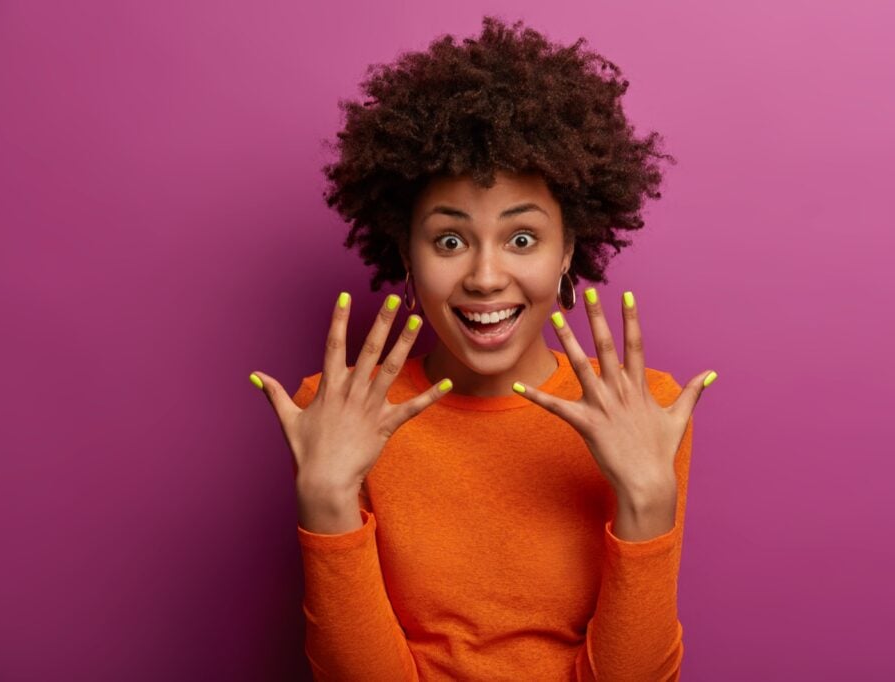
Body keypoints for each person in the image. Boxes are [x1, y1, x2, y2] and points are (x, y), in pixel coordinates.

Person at [249, 16, 717, 681]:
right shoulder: (341, 414)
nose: (486, 277)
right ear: (405, 254)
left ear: (568, 252)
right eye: (449, 240)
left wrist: (647, 504)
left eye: (522, 239)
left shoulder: (646, 412)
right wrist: (325, 499)